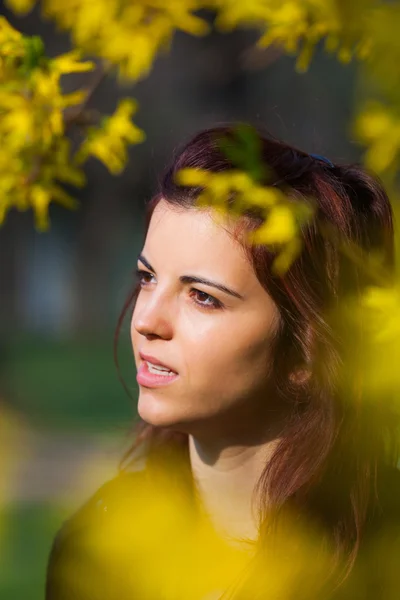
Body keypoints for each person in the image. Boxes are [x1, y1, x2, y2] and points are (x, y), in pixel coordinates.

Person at [46, 125, 400, 600]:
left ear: (308, 349)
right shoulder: (94, 550)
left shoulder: (380, 560)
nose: (146, 320)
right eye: (147, 277)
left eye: (203, 298)